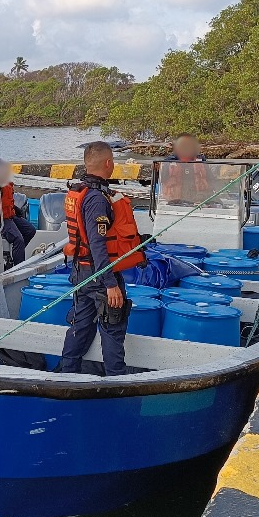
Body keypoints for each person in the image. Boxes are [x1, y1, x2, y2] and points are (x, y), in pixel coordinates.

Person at [57, 141, 143, 376]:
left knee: (81, 326)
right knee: (112, 328)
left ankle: (67, 374)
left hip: (81, 273)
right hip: (99, 275)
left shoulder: (79, 191)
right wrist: (111, 284)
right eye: (113, 161)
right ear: (108, 163)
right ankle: (116, 381)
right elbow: (98, 244)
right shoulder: (96, 199)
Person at [0, 158, 35, 265]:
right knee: (18, 239)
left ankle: (16, 253)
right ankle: (18, 267)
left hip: (9, 215)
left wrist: (15, 210)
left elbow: (6, 201)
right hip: (0, 219)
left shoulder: (5, 183)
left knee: (30, 230)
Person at [159, 134, 210, 203]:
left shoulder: (201, 159)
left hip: (198, 199)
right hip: (175, 200)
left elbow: (211, 179)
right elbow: (162, 179)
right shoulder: (169, 161)